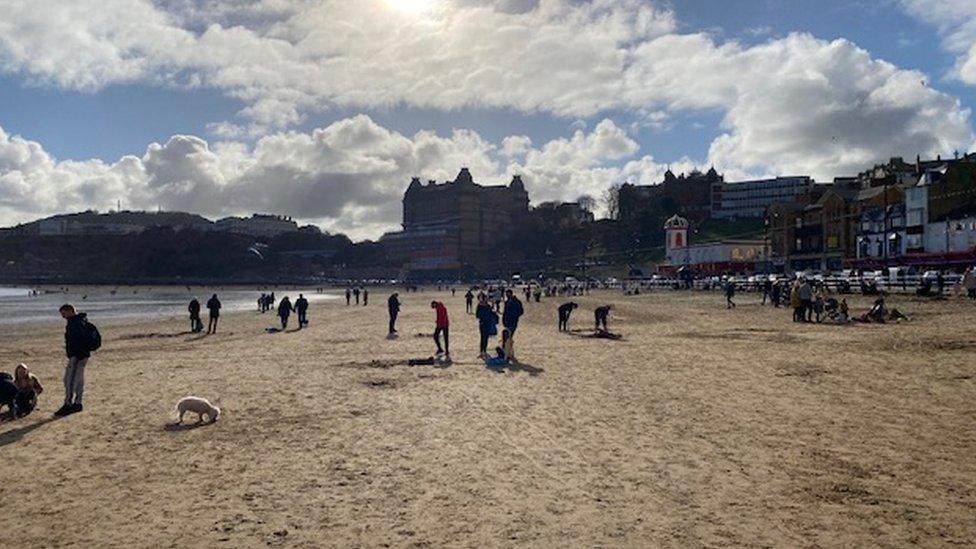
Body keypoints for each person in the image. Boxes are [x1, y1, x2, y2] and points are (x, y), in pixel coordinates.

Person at [55, 304, 94, 417]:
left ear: (70, 311)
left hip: (78, 356)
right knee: (78, 380)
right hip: (80, 355)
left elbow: (79, 340)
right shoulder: (80, 321)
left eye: (63, 313)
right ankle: (77, 403)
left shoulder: (76, 323)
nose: (63, 316)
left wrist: (77, 354)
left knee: (69, 380)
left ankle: (69, 404)